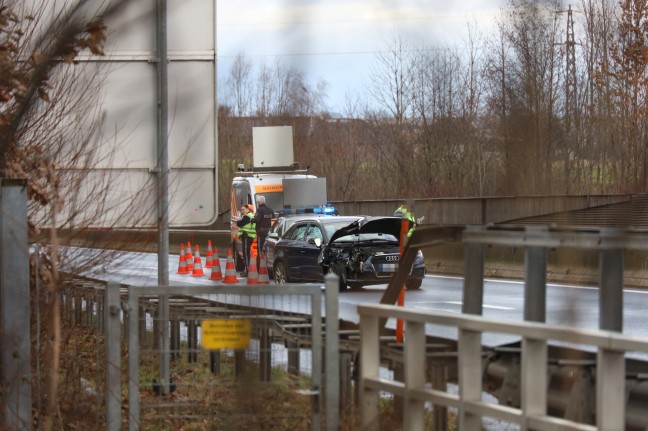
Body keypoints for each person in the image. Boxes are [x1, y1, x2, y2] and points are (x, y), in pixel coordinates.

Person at [252, 195, 274, 269]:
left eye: (258, 202)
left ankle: (259, 267)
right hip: (269, 232)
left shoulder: (260, 210)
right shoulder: (270, 209)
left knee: (260, 249)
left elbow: (257, 220)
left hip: (261, 232)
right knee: (267, 250)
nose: (257, 203)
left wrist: (252, 219)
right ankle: (267, 266)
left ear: (259, 202)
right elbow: (273, 218)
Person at [235, 204, 256, 277]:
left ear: (247, 209)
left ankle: (248, 270)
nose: (242, 211)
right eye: (241, 210)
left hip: (247, 236)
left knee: (246, 254)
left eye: (243, 209)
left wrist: (238, 220)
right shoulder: (248, 216)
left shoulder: (247, 217)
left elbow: (240, 224)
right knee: (246, 254)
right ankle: (246, 270)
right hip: (247, 237)